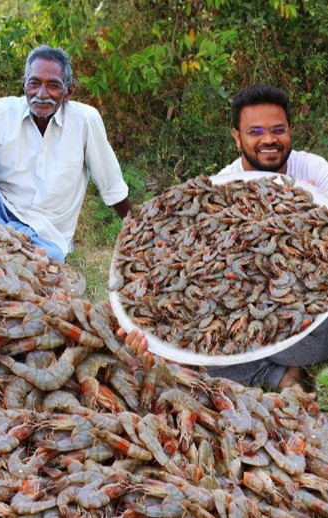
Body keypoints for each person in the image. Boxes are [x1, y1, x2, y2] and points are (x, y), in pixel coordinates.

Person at [122, 83, 328, 390]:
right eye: (255, 131)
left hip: (311, 318)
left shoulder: (315, 170)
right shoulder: (221, 189)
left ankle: (273, 368)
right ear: (237, 137)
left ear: (290, 131)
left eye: (278, 130)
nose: (268, 140)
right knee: (189, 350)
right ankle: (281, 375)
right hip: (255, 316)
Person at [0, 45, 131, 262]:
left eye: (53, 86)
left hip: (43, 235)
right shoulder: (2, 111)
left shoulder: (85, 120)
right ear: (23, 84)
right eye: (34, 83)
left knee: (46, 258)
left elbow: (112, 186)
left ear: (68, 91)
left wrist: (138, 232)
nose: (41, 94)